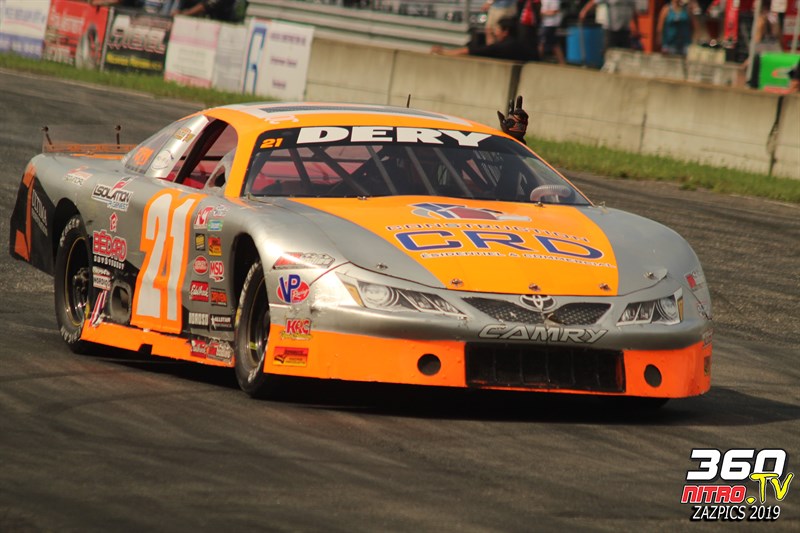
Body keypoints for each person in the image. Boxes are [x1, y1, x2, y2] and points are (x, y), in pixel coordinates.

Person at [432, 16, 530, 61]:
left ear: (505, 32)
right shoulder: (516, 44)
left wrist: (443, 53)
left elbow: (470, 51)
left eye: (497, 29)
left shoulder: (504, 46)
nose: (495, 32)